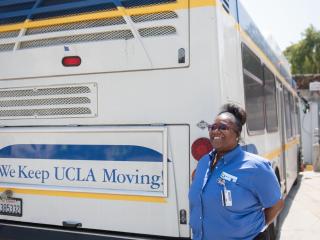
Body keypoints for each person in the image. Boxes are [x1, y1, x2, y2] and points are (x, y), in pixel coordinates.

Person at [189, 103, 284, 240]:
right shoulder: (204, 162)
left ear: (237, 134)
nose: (215, 131)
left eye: (223, 127)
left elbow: (276, 204)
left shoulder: (256, 167)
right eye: (213, 127)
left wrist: (256, 230)